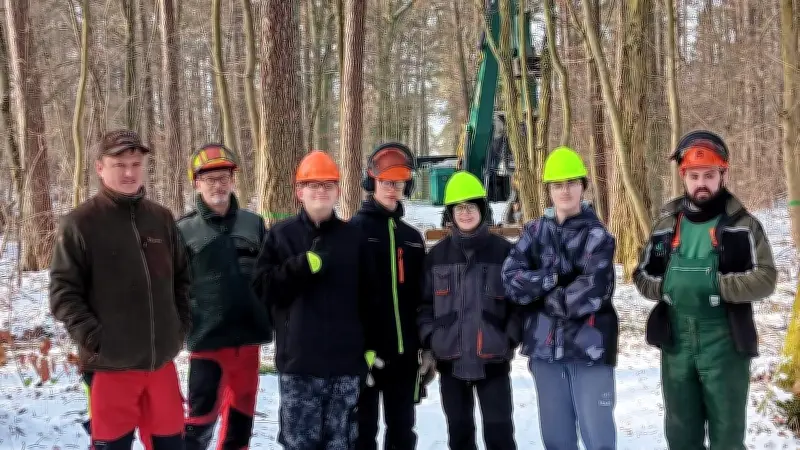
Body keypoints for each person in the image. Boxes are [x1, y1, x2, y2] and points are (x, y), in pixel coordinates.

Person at [633, 130, 777, 449]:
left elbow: (766, 277)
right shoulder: (666, 225)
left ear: (722, 175)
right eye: (694, 175)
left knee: (727, 434)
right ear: (683, 176)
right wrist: (668, 288)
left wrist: (716, 285)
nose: (702, 183)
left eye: (709, 175)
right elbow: (642, 275)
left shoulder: (743, 225)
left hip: (724, 340)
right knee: (682, 433)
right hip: (677, 342)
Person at [49, 129, 190, 449]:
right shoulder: (80, 223)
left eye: (136, 163)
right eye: (119, 164)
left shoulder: (161, 218)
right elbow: (63, 292)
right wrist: (97, 340)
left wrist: (179, 329)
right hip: (110, 369)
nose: (129, 172)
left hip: (160, 366)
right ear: (100, 167)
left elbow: (182, 279)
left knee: (171, 444)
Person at [251, 150, 379, 450]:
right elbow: (262, 289)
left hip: (346, 366)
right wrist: (300, 267)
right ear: (299, 191)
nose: (320, 190)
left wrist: (371, 347)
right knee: (300, 445)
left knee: (341, 444)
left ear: (337, 191)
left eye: (327, 184)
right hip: (299, 366)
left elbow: (372, 299)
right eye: (313, 184)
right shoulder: (280, 237)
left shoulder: (354, 239)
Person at [501, 146, 618, 450]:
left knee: (599, 438)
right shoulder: (535, 232)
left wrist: (539, 296)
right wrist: (551, 279)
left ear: (582, 186)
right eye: (557, 185)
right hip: (545, 351)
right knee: (556, 441)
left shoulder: (598, 237)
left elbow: (591, 294)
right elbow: (511, 280)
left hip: (589, 350)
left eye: (570, 183)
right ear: (548, 190)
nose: (564, 191)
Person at [178, 144, 273, 449]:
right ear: (197, 183)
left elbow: (270, 277)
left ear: (233, 180)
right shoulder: (183, 230)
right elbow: (172, 286)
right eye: (209, 179)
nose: (217, 185)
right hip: (207, 342)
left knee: (240, 421)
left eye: (223, 177)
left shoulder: (254, 224)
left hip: (248, 341)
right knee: (199, 420)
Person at [418, 171, 520, 450]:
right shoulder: (436, 257)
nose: (465, 213)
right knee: (460, 435)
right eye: (459, 208)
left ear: (482, 210)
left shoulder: (504, 253)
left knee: (500, 435)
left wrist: (508, 337)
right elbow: (423, 306)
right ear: (450, 213)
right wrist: (432, 339)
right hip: (451, 361)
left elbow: (519, 303)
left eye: (471, 206)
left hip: (493, 361)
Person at [349, 143, 428, 450]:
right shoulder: (354, 231)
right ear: (372, 183)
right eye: (386, 182)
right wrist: (359, 351)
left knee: (402, 432)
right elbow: (347, 300)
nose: (393, 189)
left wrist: (425, 349)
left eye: (399, 183)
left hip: (405, 358)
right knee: (362, 433)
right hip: (366, 357)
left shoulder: (412, 238)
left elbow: (422, 298)